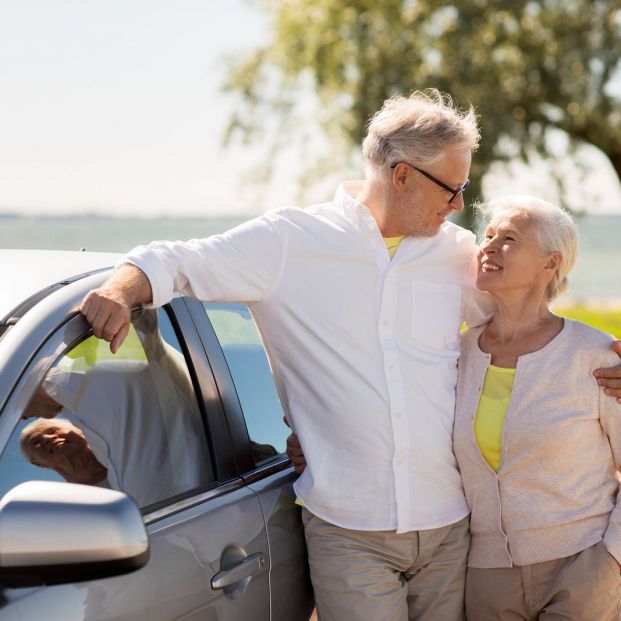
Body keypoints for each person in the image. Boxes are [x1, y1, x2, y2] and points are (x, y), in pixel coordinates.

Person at [79, 90, 621, 621]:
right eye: (451, 189)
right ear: (402, 174)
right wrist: (121, 290)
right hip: (348, 529)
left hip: (451, 529)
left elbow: (528, 329)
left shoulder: (457, 256)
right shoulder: (291, 242)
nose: (459, 206)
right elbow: (180, 262)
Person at [452, 195, 621, 620]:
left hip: (582, 565)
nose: (488, 247)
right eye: (487, 236)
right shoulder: (456, 355)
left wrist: (612, 559)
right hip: (487, 576)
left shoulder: (595, 355)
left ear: (550, 264)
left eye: (508, 239)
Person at [21, 309, 211, 508]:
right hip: (164, 526)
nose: (25, 417)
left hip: (202, 504)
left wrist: (120, 293)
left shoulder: (110, 362)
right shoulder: (79, 417)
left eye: (20, 411)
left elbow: (140, 317)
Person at [20, 417, 109, 487]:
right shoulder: (68, 503)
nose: (48, 438)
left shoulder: (120, 453)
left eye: (54, 431)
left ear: (80, 431)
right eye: (36, 442)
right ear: (37, 463)